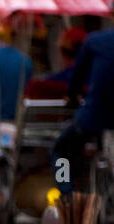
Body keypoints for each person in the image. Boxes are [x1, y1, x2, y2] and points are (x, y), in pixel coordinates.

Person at [52, 19, 114, 193]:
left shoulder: (95, 41)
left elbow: (76, 80)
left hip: (95, 116)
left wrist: (72, 97)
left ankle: (67, 193)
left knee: (61, 152)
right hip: (99, 119)